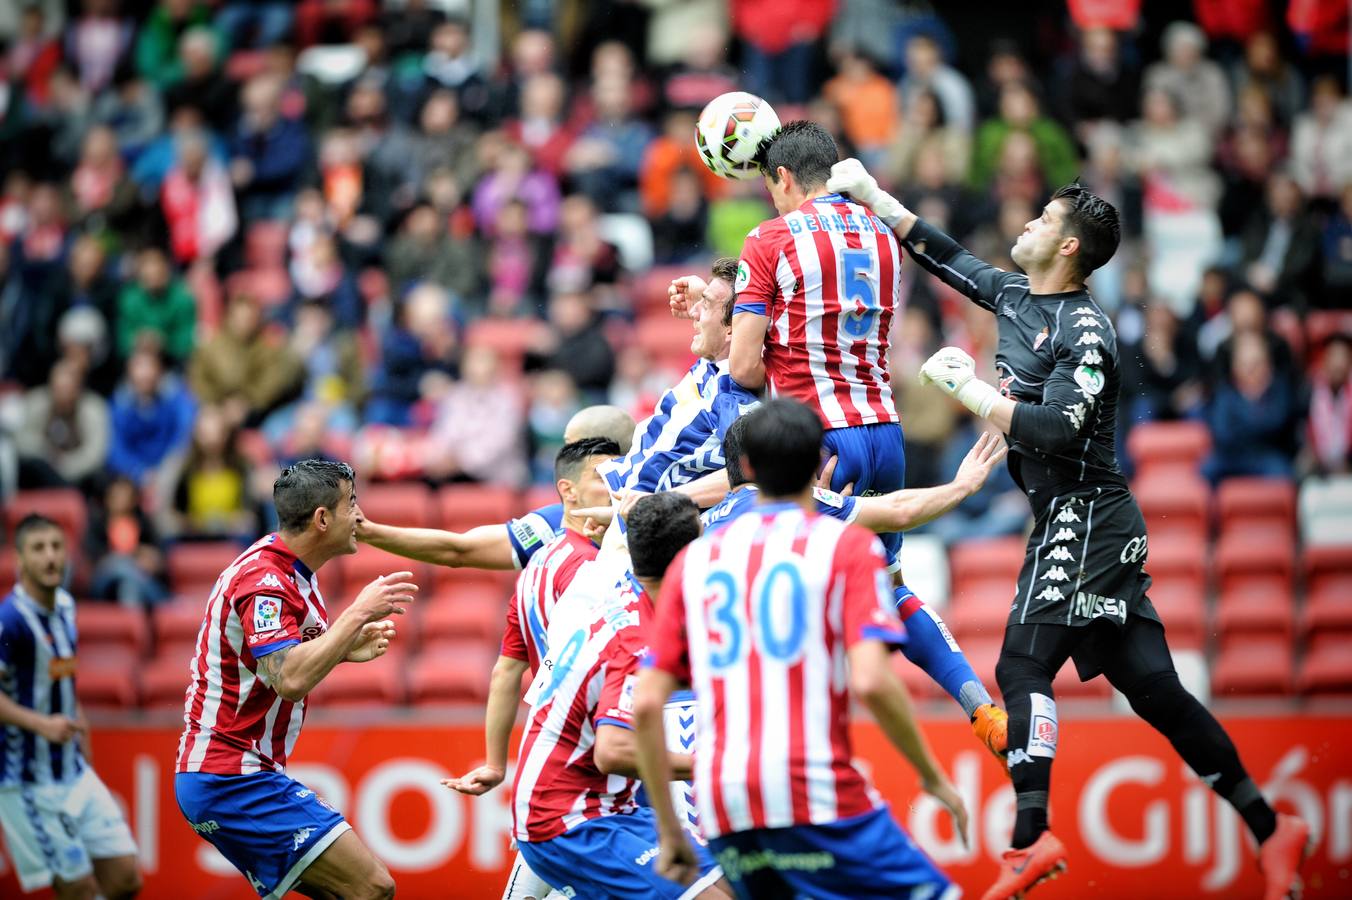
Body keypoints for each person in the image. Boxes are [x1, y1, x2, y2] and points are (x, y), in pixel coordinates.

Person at [826, 156, 1313, 900]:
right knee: (1155, 693)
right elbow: (945, 255)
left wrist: (972, 394)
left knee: (1022, 668)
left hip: (1088, 515)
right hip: (1072, 520)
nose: (1027, 221)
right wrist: (871, 196)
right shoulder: (1019, 296)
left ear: (1069, 248)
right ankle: (1271, 828)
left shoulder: (1089, 332)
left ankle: (1031, 834)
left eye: (1044, 218)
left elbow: (1056, 430)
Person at [634, 399, 964, 899]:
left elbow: (643, 703)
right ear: (818, 463)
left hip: (724, 804)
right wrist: (931, 775)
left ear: (743, 469)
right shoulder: (845, 546)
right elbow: (872, 681)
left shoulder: (694, 561)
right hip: (813, 789)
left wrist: (669, 827)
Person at [451, 492, 731, 899]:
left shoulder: (617, 588)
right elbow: (613, 751)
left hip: (612, 806)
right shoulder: (638, 640)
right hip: (568, 819)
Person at [174, 459, 417, 900]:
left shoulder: (290, 571)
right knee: (372, 887)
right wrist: (358, 613)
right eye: (352, 504)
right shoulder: (265, 581)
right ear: (323, 519)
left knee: (342, 893)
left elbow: (272, 663)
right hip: (230, 775)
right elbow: (288, 678)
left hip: (235, 775)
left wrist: (344, 648)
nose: (359, 516)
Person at [0, 514, 142, 899]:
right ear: (20, 558)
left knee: (126, 877)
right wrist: (41, 724)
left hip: (73, 771)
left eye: (56, 547)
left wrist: (87, 752)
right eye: (38, 548)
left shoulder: (65, 606)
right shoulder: (9, 620)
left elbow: (65, 682)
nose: (49, 557)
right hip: (29, 781)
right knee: (78, 889)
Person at [358, 405, 635, 571]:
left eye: (572, 447)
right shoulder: (555, 524)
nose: (564, 457)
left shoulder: (655, 515)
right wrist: (371, 532)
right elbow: (459, 550)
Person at [605, 257, 759, 498]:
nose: (694, 312)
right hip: (619, 485)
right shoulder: (712, 361)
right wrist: (707, 298)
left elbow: (749, 474)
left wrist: (662, 502)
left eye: (705, 304)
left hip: (642, 513)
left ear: (731, 328)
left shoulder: (734, 390)